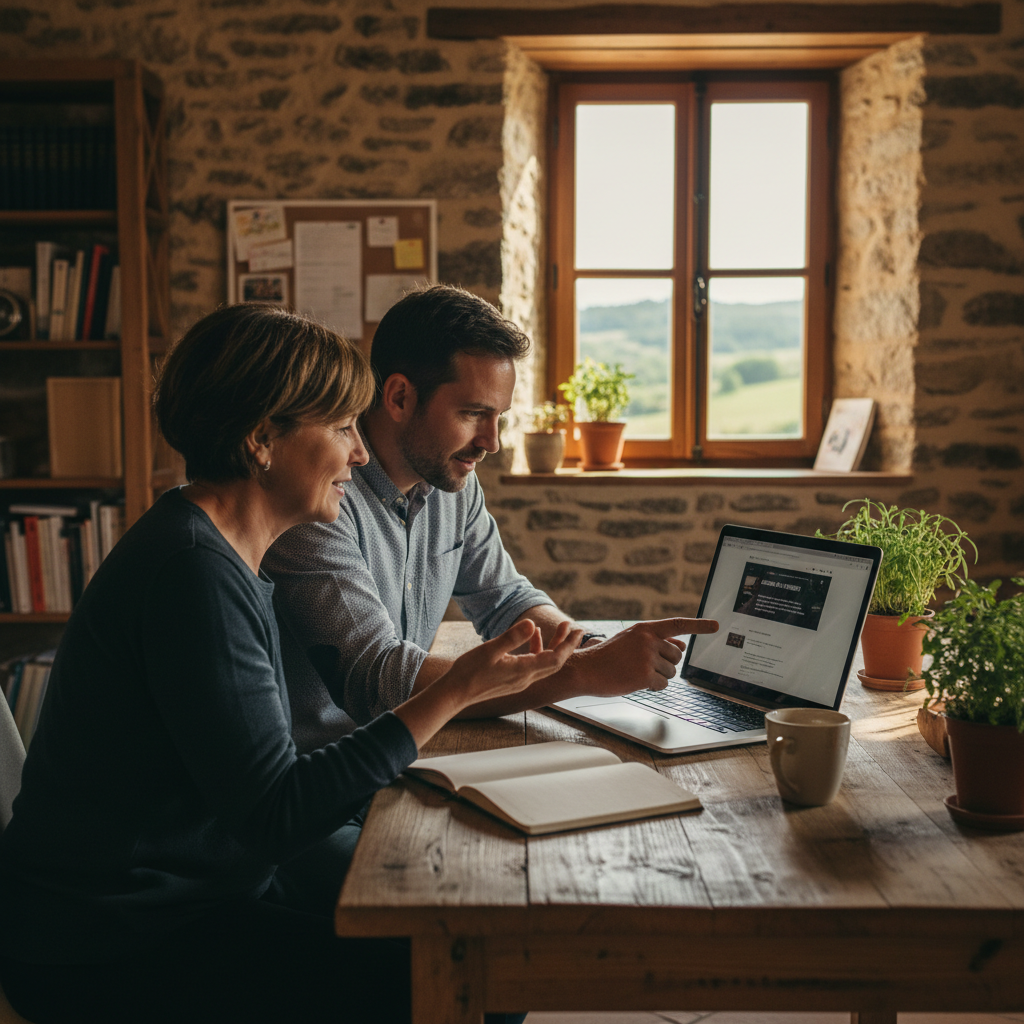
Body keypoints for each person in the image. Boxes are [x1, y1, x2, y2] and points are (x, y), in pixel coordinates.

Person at [0, 303, 580, 1024]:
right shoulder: (191, 574)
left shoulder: (215, 551)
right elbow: (277, 814)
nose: (360, 454)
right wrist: (457, 688)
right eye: (341, 429)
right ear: (260, 441)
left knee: (476, 946)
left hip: (196, 887)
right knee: (478, 982)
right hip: (112, 940)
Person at [264, 285, 718, 752]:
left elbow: (505, 600)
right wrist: (584, 672)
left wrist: (583, 647)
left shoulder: (451, 482)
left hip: (409, 752)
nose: (492, 442)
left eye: (498, 415)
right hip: (334, 776)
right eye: (473, 413)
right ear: (399, 397)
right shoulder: (318, 498)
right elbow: (382, 682)